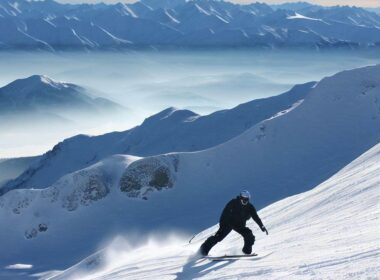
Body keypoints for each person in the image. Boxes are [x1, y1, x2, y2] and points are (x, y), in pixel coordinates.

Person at [199, 190, 268, 256]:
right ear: (240, 198)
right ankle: (203, 251)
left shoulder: (250, 207)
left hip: (239, 225)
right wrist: (222, 224)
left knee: (249, 235)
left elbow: (255, 217)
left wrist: (262, 226)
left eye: (247, 199)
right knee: (218, 237)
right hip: (228, 223)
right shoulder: (233, 203)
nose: (245, 201)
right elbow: (224, 213)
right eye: (243, 199)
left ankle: (246, 252)